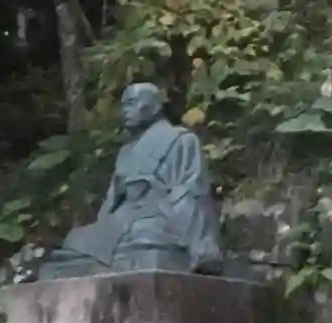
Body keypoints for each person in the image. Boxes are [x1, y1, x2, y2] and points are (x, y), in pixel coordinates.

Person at [38, 82, 224, 280]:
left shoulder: (182, 140)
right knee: (76, 238)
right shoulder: (126, 152)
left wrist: (199, 244)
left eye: (131, 103)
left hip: (161, 215)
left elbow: (191, 189)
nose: (125, 111)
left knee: (146, 234)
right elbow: (110, 204)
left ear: (154, 106)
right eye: (123, 105)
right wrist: (118, 195)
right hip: (124, 219)